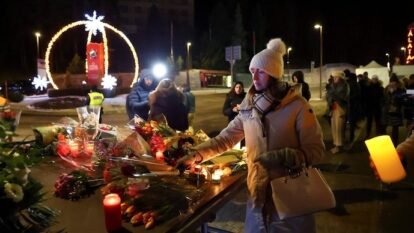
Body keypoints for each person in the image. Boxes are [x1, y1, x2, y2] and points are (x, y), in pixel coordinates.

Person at [177, 38, 325, 233]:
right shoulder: (249, 108)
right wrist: (196, 155)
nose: (254, 76)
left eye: (261, 71)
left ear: (274, 74)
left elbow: (317, 150)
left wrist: (289, 156)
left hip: (290, 200)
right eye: (252, 71)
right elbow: (225, 139)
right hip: (257, 198)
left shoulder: (298, 107)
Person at [326, 71, 349, 154]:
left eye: (336, 77)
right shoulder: (332, 86)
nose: (334, 79)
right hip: (333, 108)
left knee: (339, 128)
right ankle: (336, 145)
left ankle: (339, 146)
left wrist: (333, 96)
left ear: (340, 78)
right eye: (334, 77)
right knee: (334, 127)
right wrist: (330, 99)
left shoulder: (345, 86)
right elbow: (328, 95)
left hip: (340, 109)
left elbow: (343, 97)